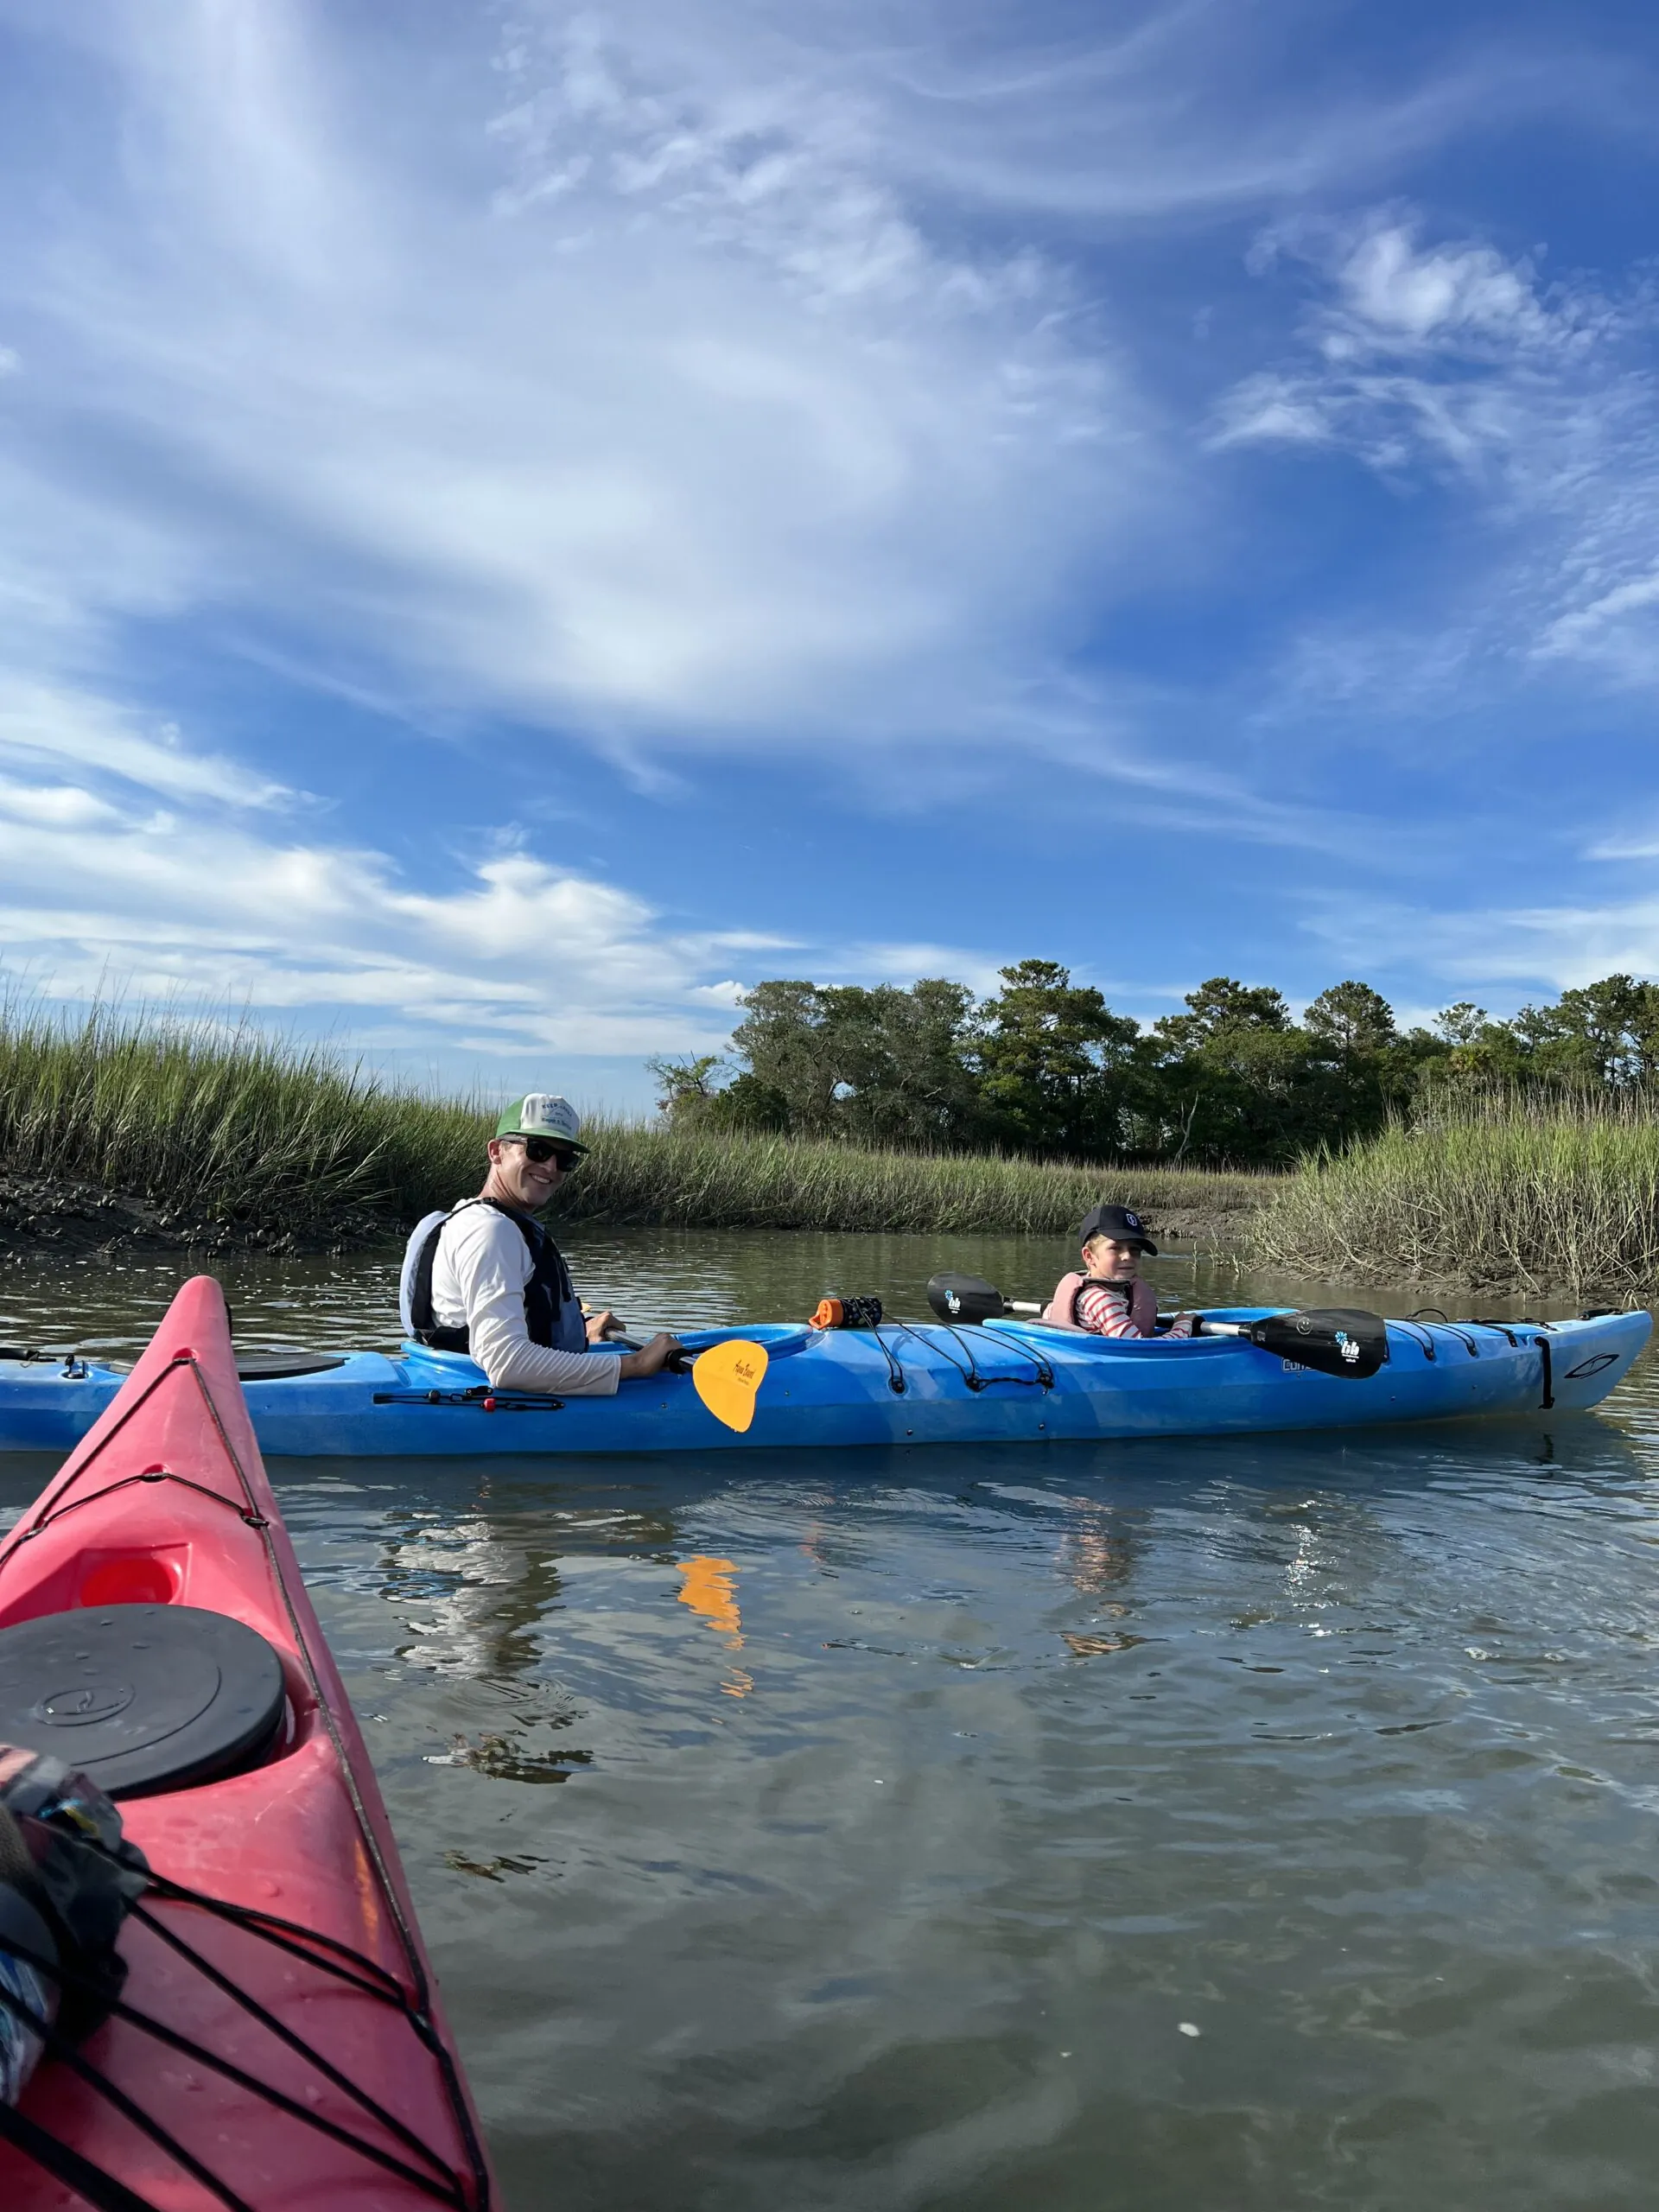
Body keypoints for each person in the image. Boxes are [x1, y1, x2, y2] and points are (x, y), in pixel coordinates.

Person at [399, 1094, 681, 1395]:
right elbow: (507, 1363)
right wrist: (636, 1364)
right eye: (538, 1149)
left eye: (564, 1159)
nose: (550, 1166)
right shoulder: (491, 1230)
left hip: (451, 1374)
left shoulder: (473, 1218)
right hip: (490, 1398)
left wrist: (578, 1332)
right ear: (496, 1151)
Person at [1043, 1203, 1193, 1338]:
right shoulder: (1100, 1300)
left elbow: (1051, 1313)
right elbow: (1139, 1349)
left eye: (1135, 1250)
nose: (1127, 1256)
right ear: (1089, 1256)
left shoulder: (1103, 1293)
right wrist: (1183, 1326)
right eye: (1115, 1248)